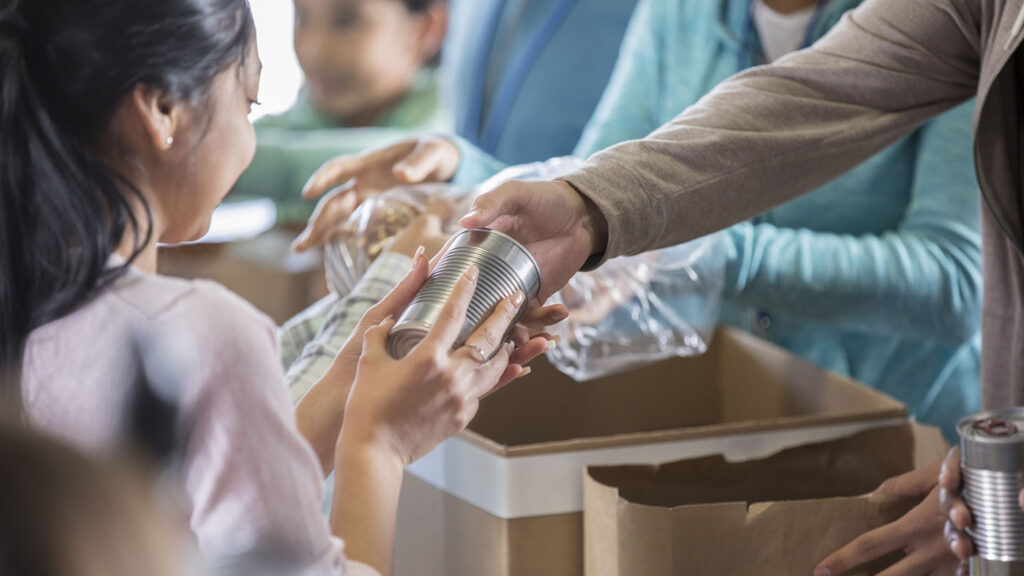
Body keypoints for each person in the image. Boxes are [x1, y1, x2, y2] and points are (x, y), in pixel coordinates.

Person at [441, 0, 1024, 573]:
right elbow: (812, 101)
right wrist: (586, 207)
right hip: (962, 476)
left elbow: (955, 280)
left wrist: (697, 249)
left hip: (907, 437)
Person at [0, 2, 552, 575]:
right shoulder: (195, 335)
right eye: (250, 102)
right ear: (162, 109)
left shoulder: (36, 307)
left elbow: (234, 482)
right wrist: (380, 445)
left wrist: (364, 351)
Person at [293, 0, 983, 443]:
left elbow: (959, 284)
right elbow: (601, 185)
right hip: (740, 429)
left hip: (910, 439)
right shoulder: (678, 13)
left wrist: (710, 250)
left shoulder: (946, 20)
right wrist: (468, 174)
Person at [233, 0, 450, 223]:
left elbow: (403, 154)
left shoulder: (454, 124)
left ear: (424, 30)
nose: (314, 51)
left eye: (347, 22)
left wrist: (219, 153)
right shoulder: (297, 121)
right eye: (301, 18)